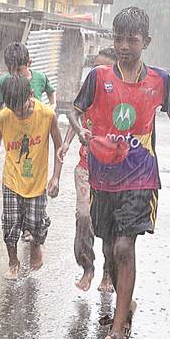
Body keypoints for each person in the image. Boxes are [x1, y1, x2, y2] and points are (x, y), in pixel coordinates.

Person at [69, 7, 170, 339]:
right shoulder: (98, 77)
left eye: (132, 39)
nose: (124, 45)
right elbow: (75, 110)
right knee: (109, 247)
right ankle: (127, 304)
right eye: (119, 38)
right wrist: (80, 130)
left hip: (141, 177)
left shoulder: (159, 80)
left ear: (146, 42)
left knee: (125, 246)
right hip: (102, 177)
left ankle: (119, 324)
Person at [0, 76, 63, 280]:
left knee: (36, 223)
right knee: (10, 223)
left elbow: (58, 146)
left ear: (31, 96)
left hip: (37, 180)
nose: (18, 113)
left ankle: (36, 246)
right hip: (12, 179)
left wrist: (56, 178)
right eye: (13, 109)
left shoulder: (46, 115)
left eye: (22, 108)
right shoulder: (3, 118)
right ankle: (13, 262)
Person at [60, 46, 117, 293]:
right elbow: (77, 116)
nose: (96, 72)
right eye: (94, 67)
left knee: (108, 224)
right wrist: (66, 142)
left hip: (114, 171)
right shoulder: (89, 90)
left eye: (102, 68)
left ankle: (108, 272)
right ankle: (87, 268)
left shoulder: (121, 95)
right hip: (86, 166)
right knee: (84, 216)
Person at [0, 42, 56, 111]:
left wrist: (53, 105)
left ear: (29, 63)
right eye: (10, 70)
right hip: (13, 120)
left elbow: (51, 92)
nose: (15, 74)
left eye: (18, 70)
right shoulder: (3, 81)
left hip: (36, 120)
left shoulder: (40, 77)